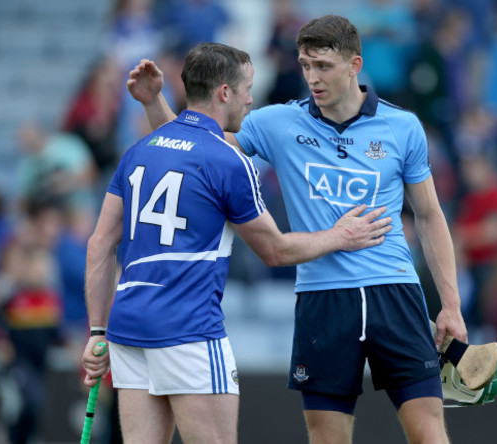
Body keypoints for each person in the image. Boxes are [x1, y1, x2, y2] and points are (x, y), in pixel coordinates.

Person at [129, 15, 467, 444]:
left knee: (428, 433)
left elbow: (430, 215)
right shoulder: (279, 123)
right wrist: (154, 103)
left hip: (394, 292)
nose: (312, 77)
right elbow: (193, 147)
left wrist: (451, 305)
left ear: (354, 64)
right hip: (321, 300)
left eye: (323, 66)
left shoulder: (403, 127)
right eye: (306, 65)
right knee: (325, 438)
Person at [81, 42, 391, 444]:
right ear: (224, 93)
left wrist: (96, 332)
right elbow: (274, 251)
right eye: (246, 88)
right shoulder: (230, 161)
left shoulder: (138, 151)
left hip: (127, 329)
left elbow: (99, 245)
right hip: (188, 330)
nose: (250, 99)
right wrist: (341, 236)